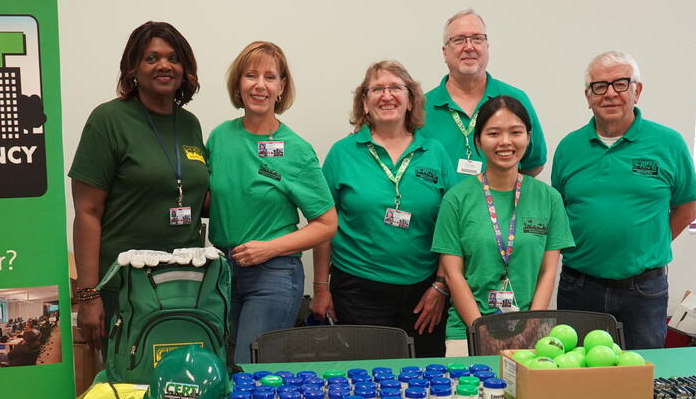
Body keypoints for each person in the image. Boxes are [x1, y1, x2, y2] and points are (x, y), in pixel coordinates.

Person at [70, 21, 210, 352]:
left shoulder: (189, 124)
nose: (164, 65)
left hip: (182, 283)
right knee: (127, 386)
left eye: (174, 58)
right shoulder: (108, 120)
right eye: (151, 58)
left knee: (177, 379)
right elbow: (87, 211)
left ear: (184, 69)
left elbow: (195, 195)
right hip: (124, 286)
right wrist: (88, 295)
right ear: (134, 68)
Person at [551, 51, 696, 349]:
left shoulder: (668, 144)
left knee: (641, 376)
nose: (610, 94)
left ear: (637, 90)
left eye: (620, 84)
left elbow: (687, 209)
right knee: (574, 376)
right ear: (588, 96)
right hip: (580, 287)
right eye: (599, 86)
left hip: (643, 290)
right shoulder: (569, 148)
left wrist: (647, 245)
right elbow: (561, 213)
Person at [310, 61, 455, 357]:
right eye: (377, 89)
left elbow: (450, 228)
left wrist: (441, 286)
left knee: (422, 382)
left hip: (423, 294)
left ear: (411, 99)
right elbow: (323, 227)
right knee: (366, 384)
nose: (386, 95)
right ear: (364, 102)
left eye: (395, 88)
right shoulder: (342, 153)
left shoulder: (435, 153)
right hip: (357, 289)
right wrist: (321, 288)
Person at [207, 41, 338, 363]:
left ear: (282, 88)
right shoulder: (219, 137)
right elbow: (213, 201)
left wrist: (269, 248)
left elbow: (326, 223)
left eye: (270, 77)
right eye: (251, 75)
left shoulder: (296, 149)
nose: (260, 85)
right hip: (221, 273)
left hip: (273, 274)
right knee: (222, 369)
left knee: (248, 371)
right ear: (238, 84)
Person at [432, 96, 574, 357]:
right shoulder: (456, 198)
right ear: (478, 141)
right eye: (494, 133)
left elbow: (548, 272)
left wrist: (530, 328)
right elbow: (454, 275)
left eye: (515, 132)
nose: (505, 142)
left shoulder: (549, 198)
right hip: (467, 331)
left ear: (528, 137)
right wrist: (481, 331)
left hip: (534, 333)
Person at [423, 10, 546, 179]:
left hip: (500, 205)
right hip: (440, 205)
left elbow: (534, 163)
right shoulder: (421, 107)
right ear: (445, 52)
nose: (469, 47)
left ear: (487, 47)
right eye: (459, 40)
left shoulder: (516, 99)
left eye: (477, 39)